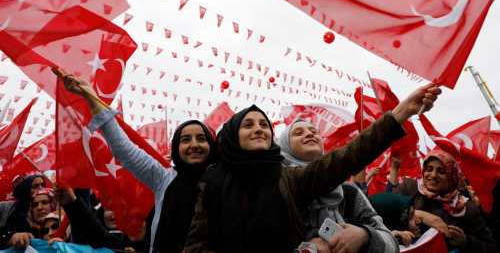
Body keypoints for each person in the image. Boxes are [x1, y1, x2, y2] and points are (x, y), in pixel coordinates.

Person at [184, 83, 441, 253]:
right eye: (248, 125)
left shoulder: (289, 178)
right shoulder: (212, 182)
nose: (259, 129)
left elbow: (348, 157)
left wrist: (398, 115)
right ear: (231, 136)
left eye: (263, 124)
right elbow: (196, 244)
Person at [57, 69, 219, 253]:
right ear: (175, 148)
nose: (194, 145)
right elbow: (124, 149)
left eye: (201, 138)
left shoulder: (225, 180)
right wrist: (90, 95)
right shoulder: (163, 178)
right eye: (185, 140)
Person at [278, 119, 398, 253]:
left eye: (314, 131)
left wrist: (365, 236)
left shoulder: (349, 191)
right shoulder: (278, 190)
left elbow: (392, 245)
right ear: (284, 146)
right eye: (298, 133)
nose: (309, 134)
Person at [391, 149, 497, 252]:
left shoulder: (465, 208)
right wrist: (415, 214)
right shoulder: (409, 188)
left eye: (441, 171)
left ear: (452, 176)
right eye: (429, 169)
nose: (433, 175)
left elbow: (490, 247)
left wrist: (465, 241)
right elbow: (382, 211)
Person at [0, 174, 49, 249]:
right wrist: (11, 237)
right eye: (35, 186)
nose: (40, 188)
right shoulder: (14, 213)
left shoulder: (56, 209)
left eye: (43, 185)